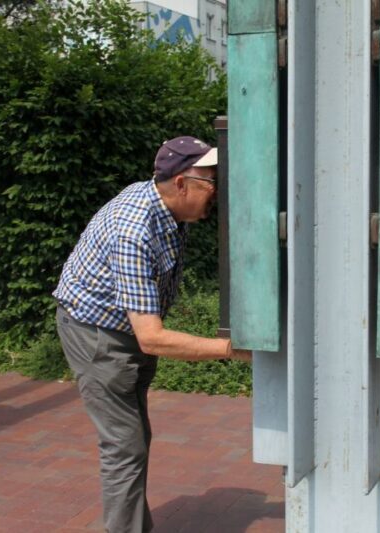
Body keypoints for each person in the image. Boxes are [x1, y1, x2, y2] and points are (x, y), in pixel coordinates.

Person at [53, 136, 250, 533]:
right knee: (124, 445)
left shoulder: (165, 207)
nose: (218, 191)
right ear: (181, 183)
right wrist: (232, 350)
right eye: (212, 182)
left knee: (134, 437)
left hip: (124, 327)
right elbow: (152, 338)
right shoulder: (134, 230)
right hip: (97, 335)